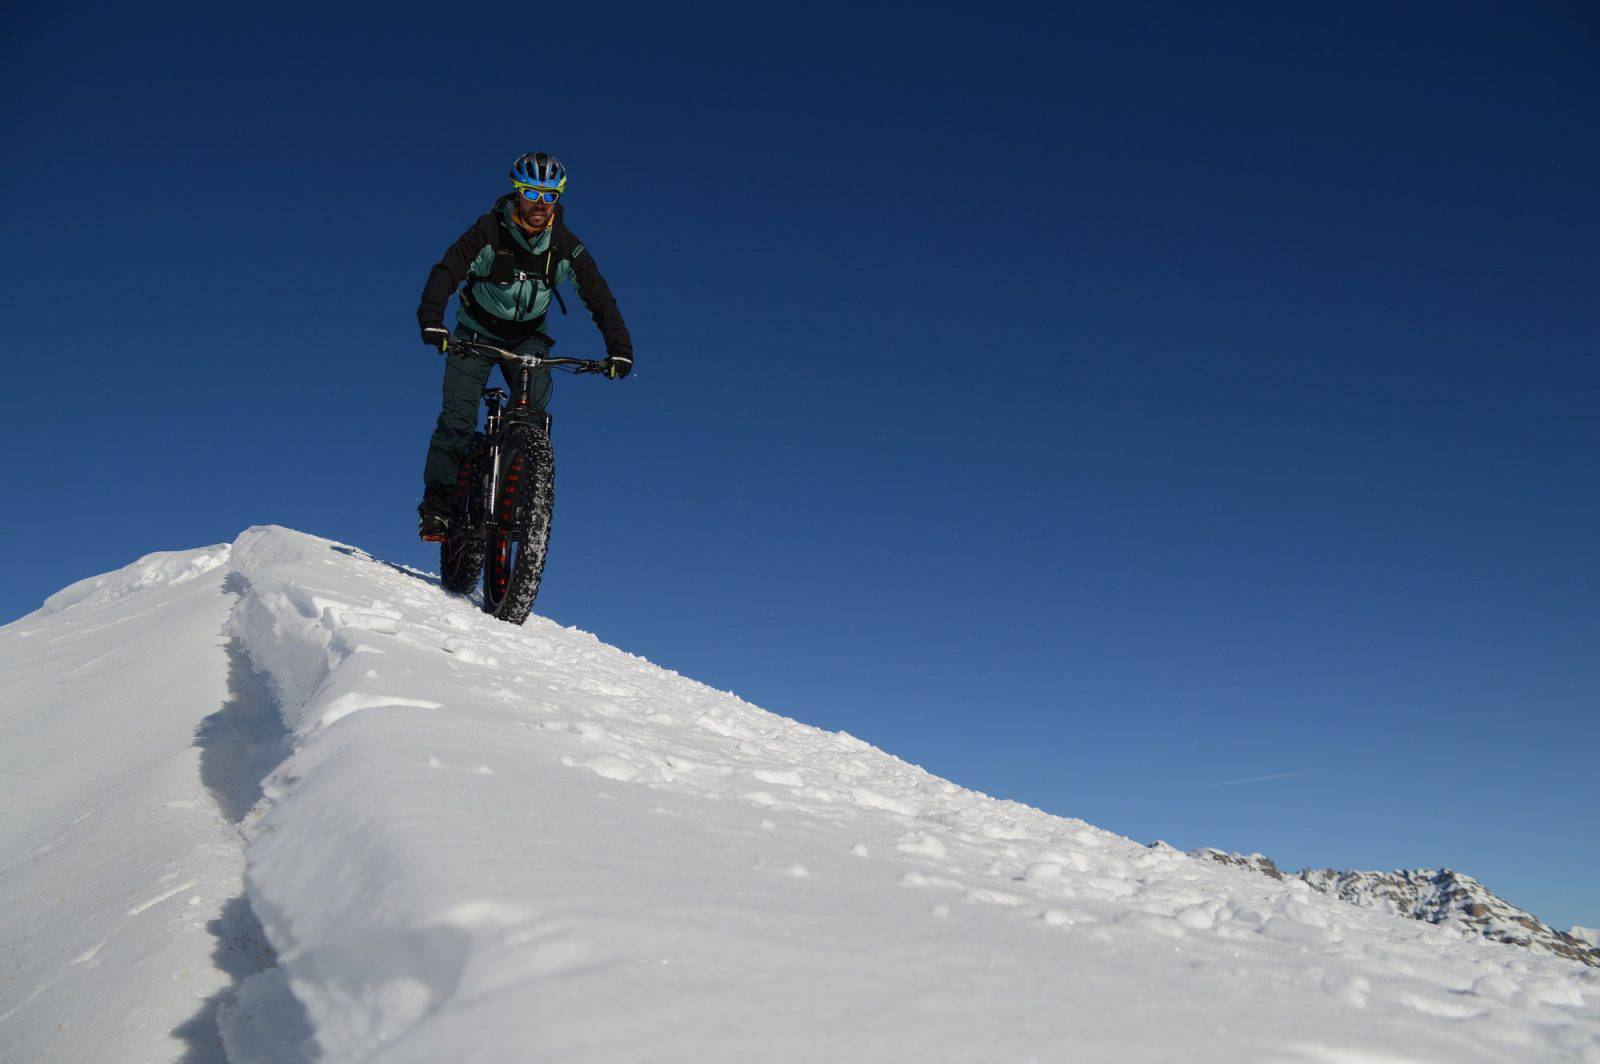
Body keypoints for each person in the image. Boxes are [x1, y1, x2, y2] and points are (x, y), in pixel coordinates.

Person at [415, 152, 632, 539]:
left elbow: (599, 296)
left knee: (535, 407)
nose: (539, 204)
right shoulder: (488, 231)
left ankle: (522, 492)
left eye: (549, 196)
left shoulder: (565, 246)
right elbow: (447, 270)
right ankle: (438, 506)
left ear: (558, 199)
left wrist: (620, 347)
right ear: (517, 193)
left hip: (527, 337)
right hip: (475, 332)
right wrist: (433, 320)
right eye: (531, 192)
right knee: (458, 419)